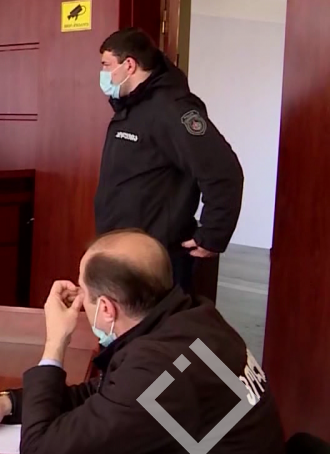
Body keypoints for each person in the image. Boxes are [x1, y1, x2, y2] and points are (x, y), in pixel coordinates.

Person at [0, 230, 292, 454]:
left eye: (83, 292)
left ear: (107, 309)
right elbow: (107, 396)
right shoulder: (193, 323)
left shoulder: (156, 368)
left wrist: (55, 343)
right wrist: (9, 403)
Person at [94, 27, 244, 292]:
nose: (102, 73)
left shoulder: (172, 109)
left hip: (157, 257)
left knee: (168, 319)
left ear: (129, 65)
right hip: (124, 253)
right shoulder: (131, 108)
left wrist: (213, 234)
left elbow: (223, 170)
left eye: (106, 65)